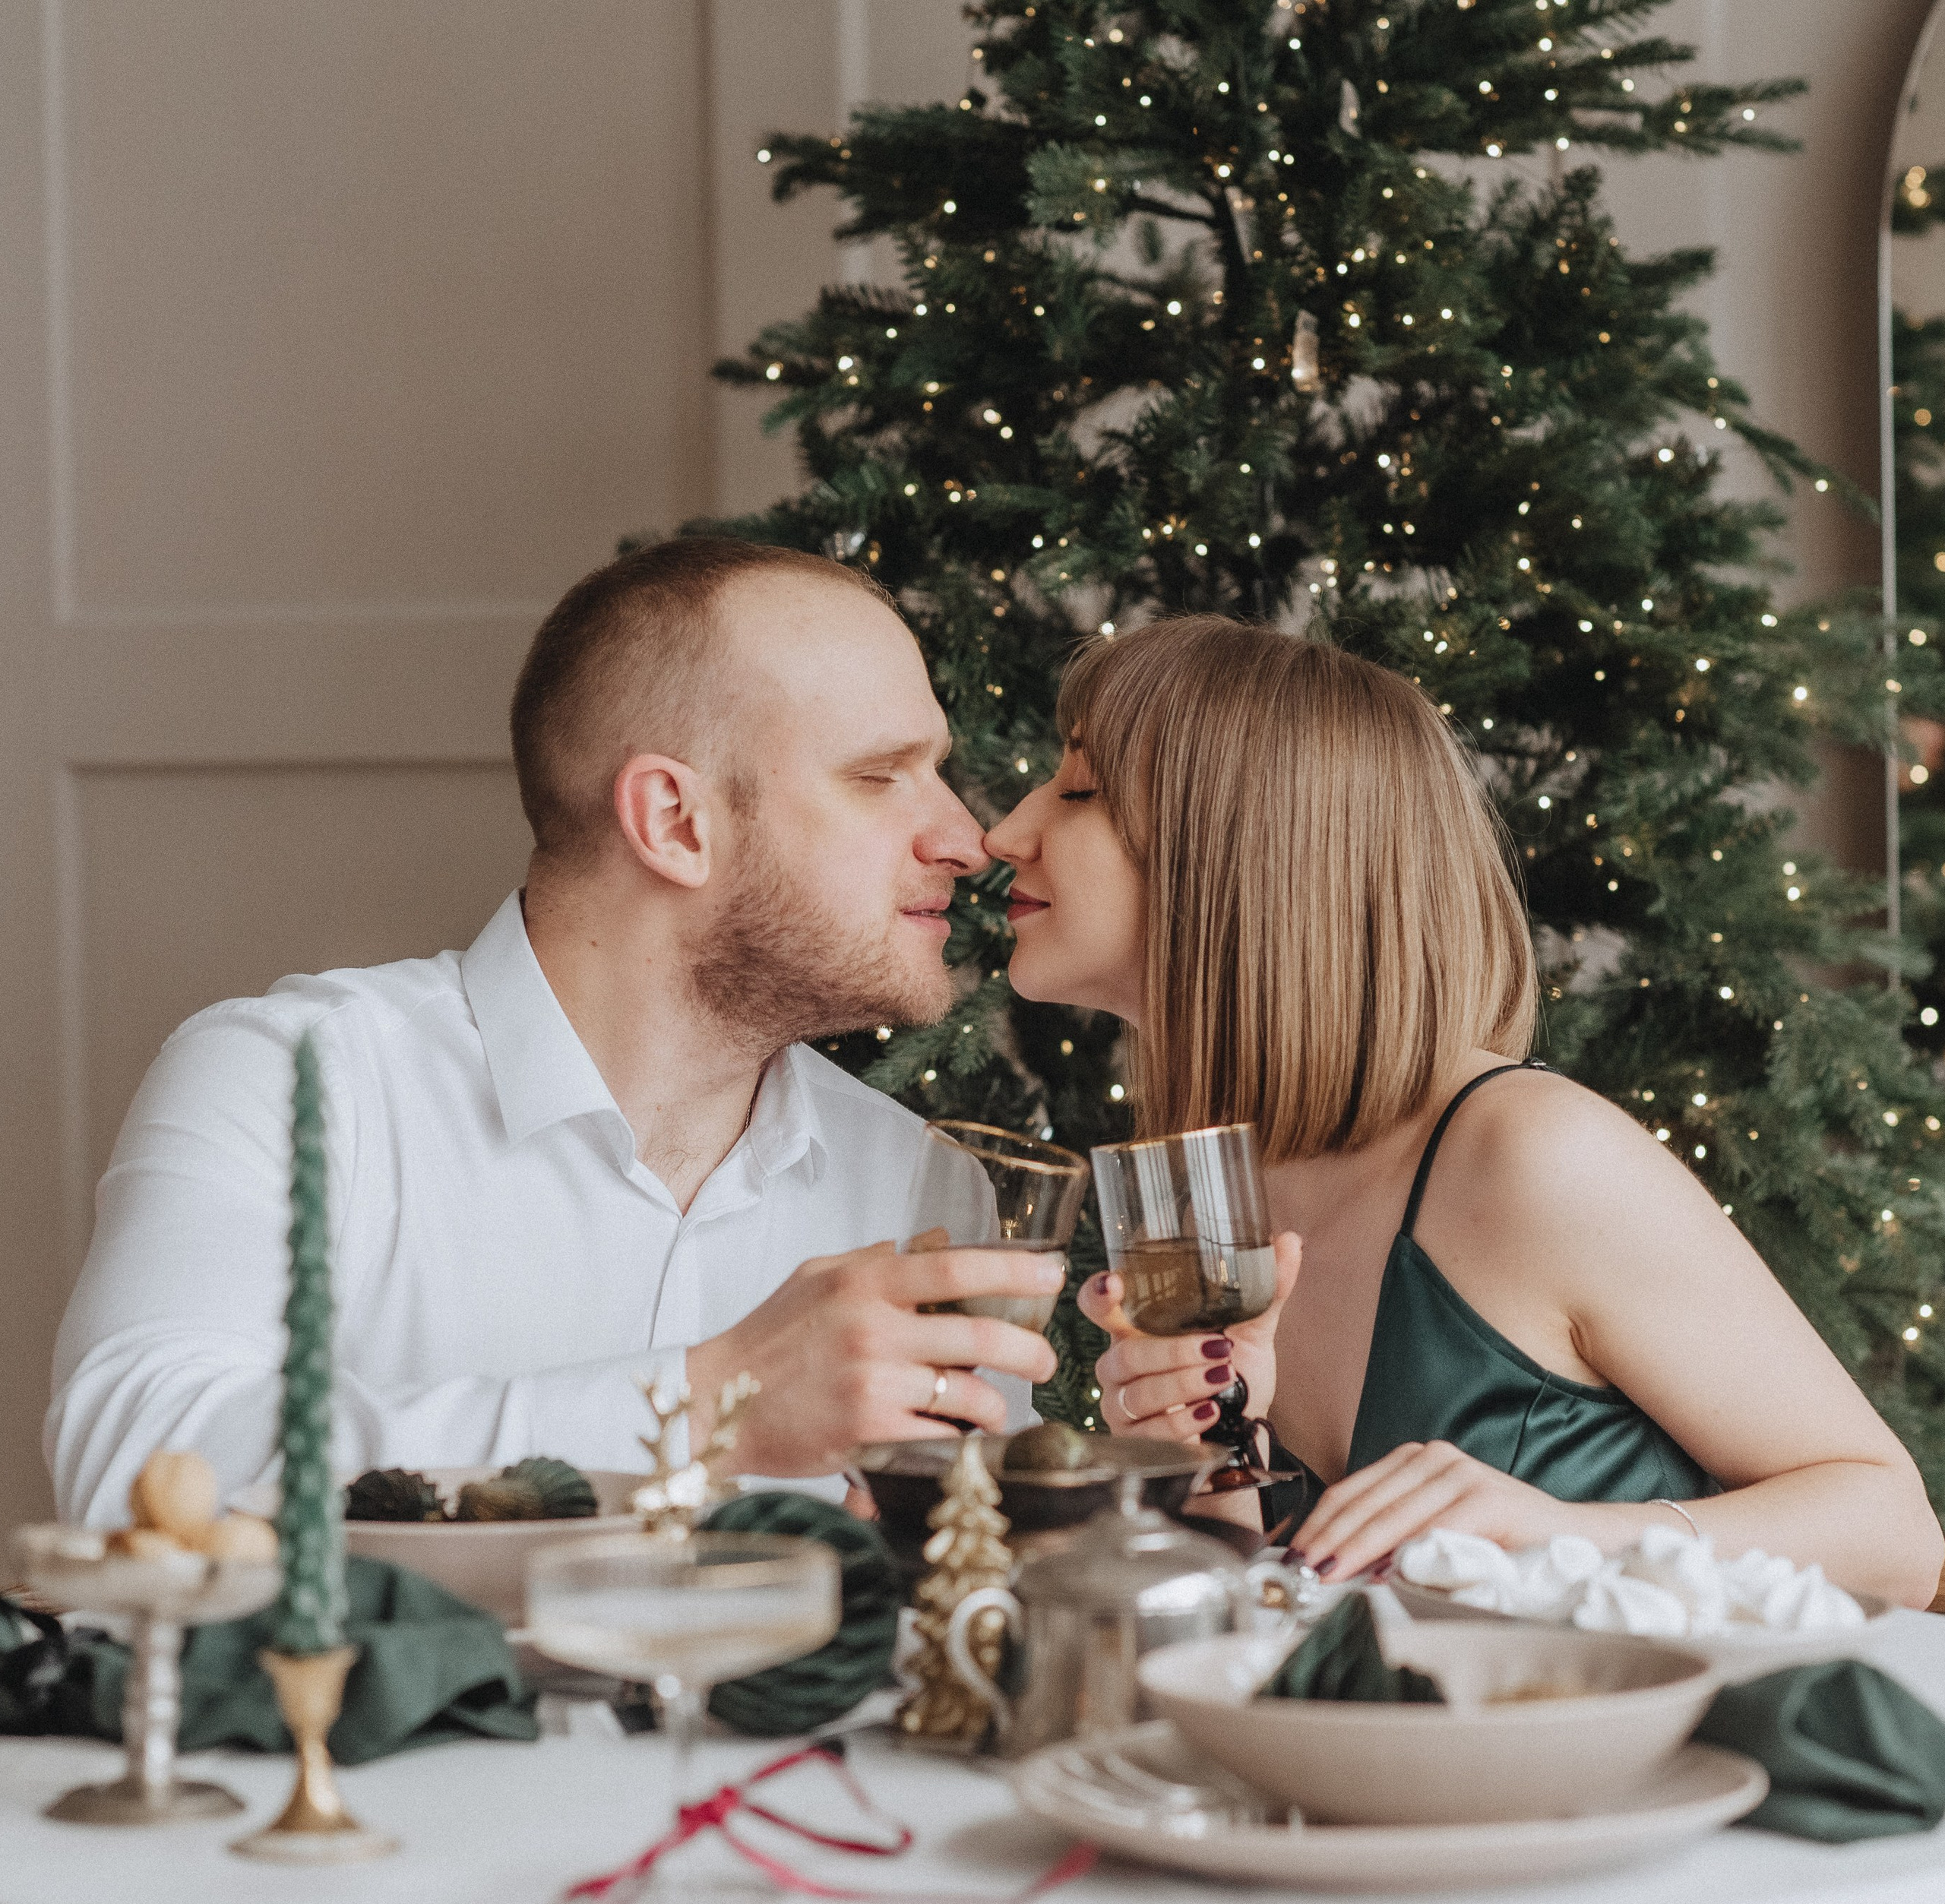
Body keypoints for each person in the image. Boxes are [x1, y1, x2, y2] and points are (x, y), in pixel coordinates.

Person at [47, 538, 1055, 1527]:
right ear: (673, 821)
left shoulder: (924, 1188)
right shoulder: (298, 1079)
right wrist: (704, 1404)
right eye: (883, 776)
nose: (967, 840)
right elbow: (136, 1461)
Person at [985, 615, 1945, 1608]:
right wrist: (1203, 1459)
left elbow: (1898, 1534)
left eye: (1080, 791)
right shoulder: (1195, 1183)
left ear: (1239, 851)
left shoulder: (1530, 1154)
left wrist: (1564, 1535)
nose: (1003, 834)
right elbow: (1273, 1618)